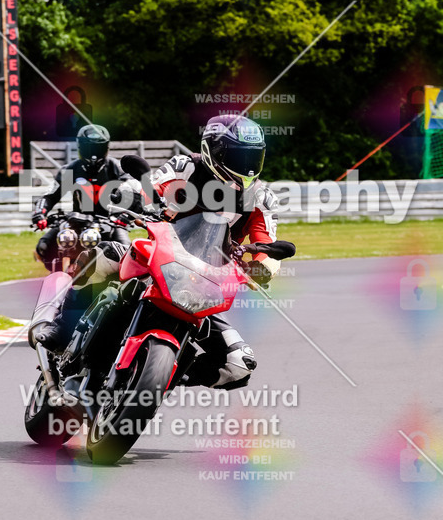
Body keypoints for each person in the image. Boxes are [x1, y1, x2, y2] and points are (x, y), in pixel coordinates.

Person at [40, 114, 295, 390]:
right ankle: (62, 328)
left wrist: (262, 266)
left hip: (206, 284)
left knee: (238, 364)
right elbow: (152, 186)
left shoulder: (261, 198)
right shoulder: (186, 166)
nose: (247, 166)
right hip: (159, 257)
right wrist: (138, 197)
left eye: (253, 157)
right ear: (213, 150)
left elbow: (266, 243)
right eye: (238, 157)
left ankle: (165, 375)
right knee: (103, 255)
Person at [32, 124, 130, 268]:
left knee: (126, 255)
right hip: (76, 221)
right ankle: (56, 275)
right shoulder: (70, 169)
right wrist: (40, 213)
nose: (93, 153)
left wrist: (125, 215)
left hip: (111, 222)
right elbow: (51, 195)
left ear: (106, 147)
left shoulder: (117, 168)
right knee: (43, 247)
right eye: (89, 148)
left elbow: (131, 194)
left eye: (98, 148)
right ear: (80, 147)